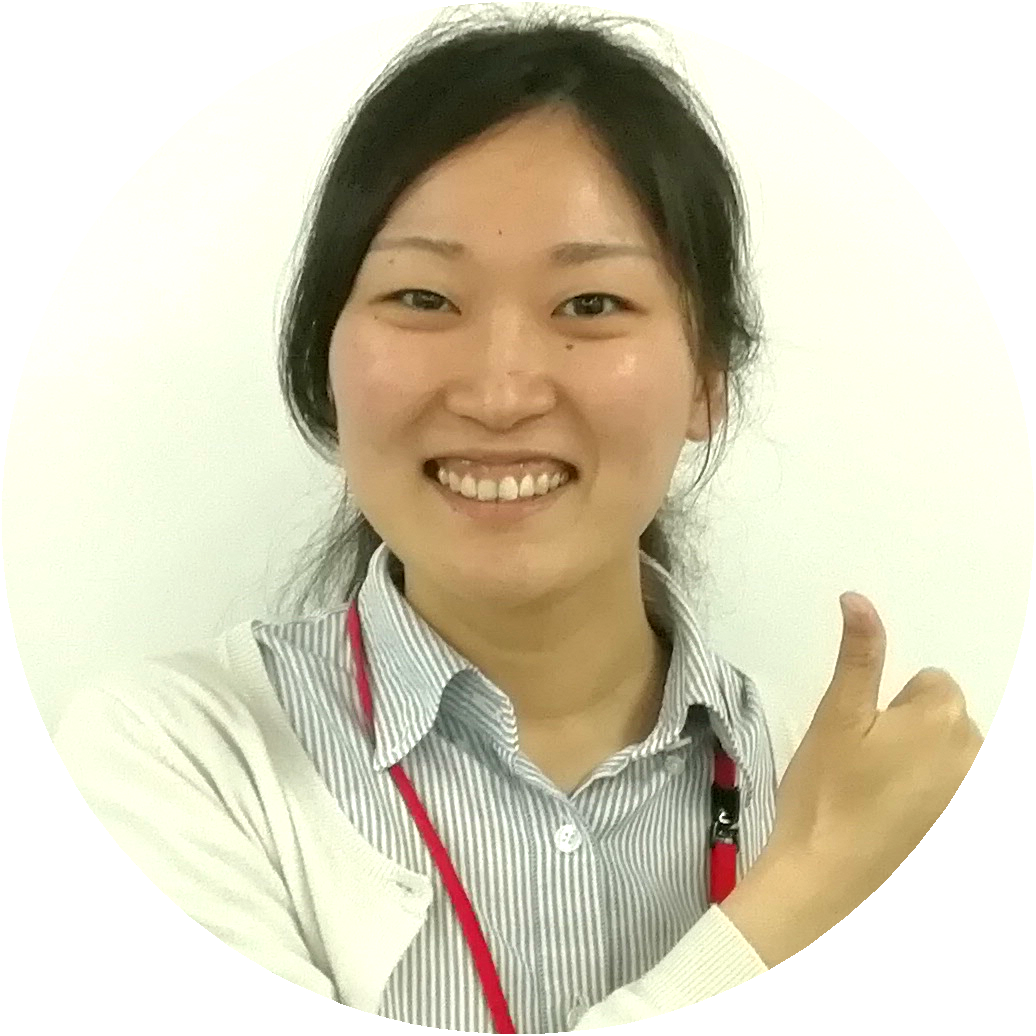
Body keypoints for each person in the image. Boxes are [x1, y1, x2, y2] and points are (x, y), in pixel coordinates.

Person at [52, 6, 983, 1033]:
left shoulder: (831, 785)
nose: (500, 393)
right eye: (423, 298)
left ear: (706, 379)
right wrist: (800, 901)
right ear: (326, 357)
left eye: (590, 305)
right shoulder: (176, 760)